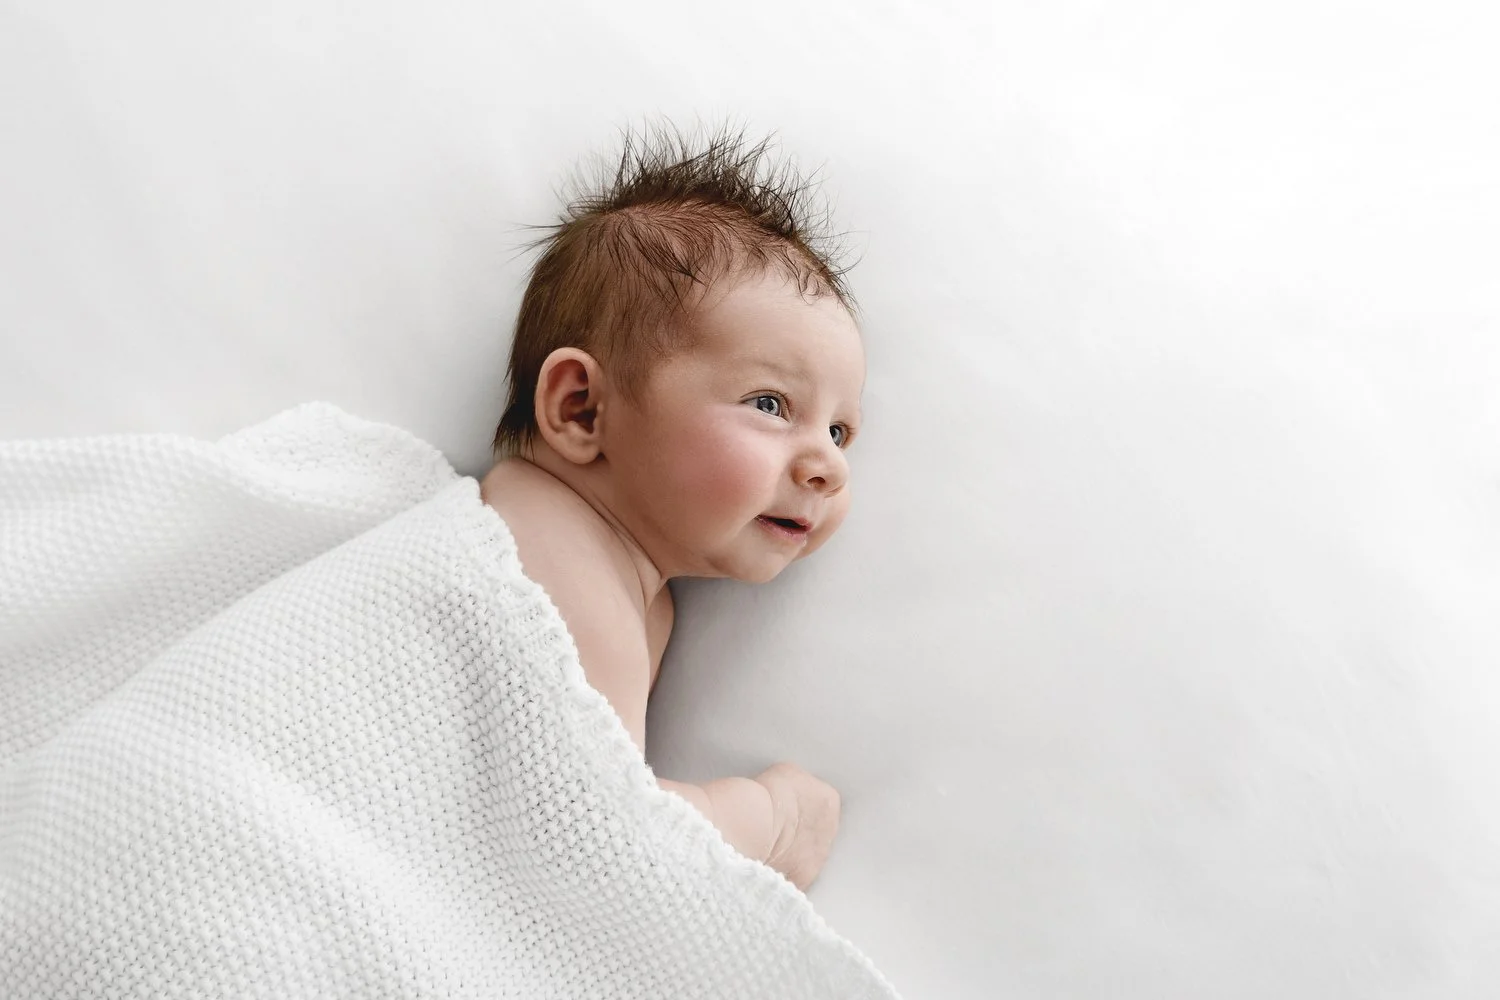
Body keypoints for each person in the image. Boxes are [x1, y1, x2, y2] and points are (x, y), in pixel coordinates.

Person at [479, 123, 864, 891]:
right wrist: (766, 819)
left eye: (840, 429)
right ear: (584, 409)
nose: (826, 463)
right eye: (770, 402)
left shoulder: (638, 597)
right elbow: (592, 836)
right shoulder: (557, 556)